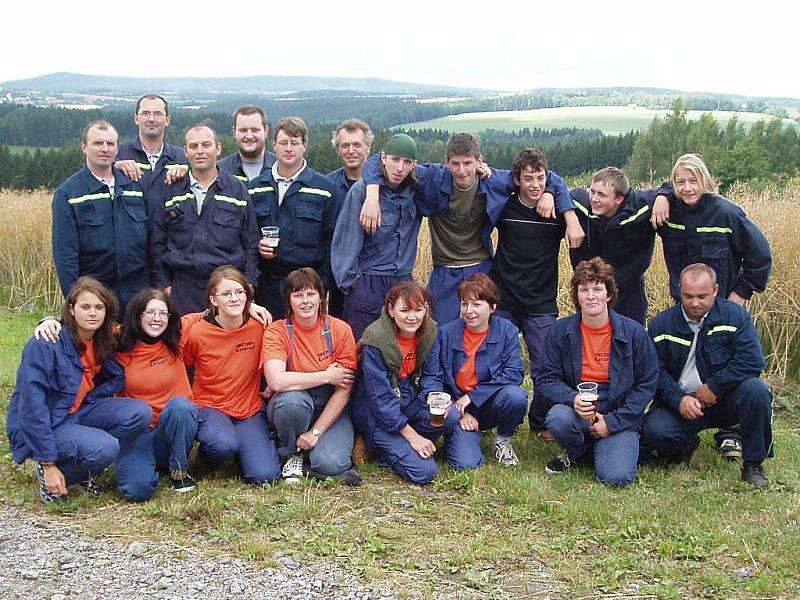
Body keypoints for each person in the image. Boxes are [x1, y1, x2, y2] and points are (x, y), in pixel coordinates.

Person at [359, 133, 583, 325]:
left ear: (479, 161)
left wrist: (558, 203)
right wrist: (371, 195)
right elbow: (376, 163)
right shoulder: (432, 177)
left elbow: (547, 175)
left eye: (468, 163)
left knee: (480, 334)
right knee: (442, 334)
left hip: (481, 268)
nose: (462, 170)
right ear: (446, 162)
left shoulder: (494, 181)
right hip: (444, 271)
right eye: (455, 164)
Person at [657, 153, 772, 460]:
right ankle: (682, 429)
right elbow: (634, 200)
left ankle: (731, 434)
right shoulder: (669, 212)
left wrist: (742, 293)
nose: (687, 187)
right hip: (684, 307)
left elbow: (761, 255)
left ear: (704, 179)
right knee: (686, 367)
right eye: (680, 182)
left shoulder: (727, 213)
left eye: (693, 180)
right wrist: (661, 196)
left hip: (723, 308)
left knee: (727, 370)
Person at [35, 288, 200, 500]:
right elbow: (84, 327)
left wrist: (249, 304)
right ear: (137, 314)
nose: (156, 319)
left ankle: (179, 470)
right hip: (137, 432)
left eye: (162, 313)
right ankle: (146, 466)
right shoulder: (119, 339)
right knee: (136, 490)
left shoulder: (176, 336)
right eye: (149, 312)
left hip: (171, 429)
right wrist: (48, 321)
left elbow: (211, 313)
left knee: (181, 407)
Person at [6, 277, 152, 504]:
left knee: (139, 412)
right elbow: (32, 408)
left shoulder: (102, 338)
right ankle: (51, 474)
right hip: (47, 422)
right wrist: (48, 463)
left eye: (99, 307)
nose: (92, 313)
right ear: (71, 309)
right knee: (106, 447)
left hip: (76, 412)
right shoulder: (46, 343)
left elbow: (142, 329)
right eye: (85, 307)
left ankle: (83, 469)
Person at [639, 264, 773, 489]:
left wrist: (715, 386)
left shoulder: (735, 316)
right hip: (681, 402)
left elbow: (752, 361)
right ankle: (684, 445)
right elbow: (654, 372)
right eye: (688, 296)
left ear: (716, 290)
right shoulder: (662, 324)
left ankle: (753, 464)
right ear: (679, 291)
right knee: (654, 431)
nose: (694, 303)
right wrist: (678, 399)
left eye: (702, 296)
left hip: (724, 399)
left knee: (757, 391)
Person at [537, 258, 658, 486]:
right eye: (584, 290)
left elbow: (646, 384)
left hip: (618, 409)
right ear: (577, 296)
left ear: (609, 295)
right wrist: (573, 399)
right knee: (558, 419)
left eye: (597, 289)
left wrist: (612, 423)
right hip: (578, 407)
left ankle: (608, 448)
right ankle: (576, 449)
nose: (591, 296)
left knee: (617, 478)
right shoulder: (560, 331)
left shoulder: (633, 333)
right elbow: (546, 378)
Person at [489, 148, 567, 434]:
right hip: (505, 299)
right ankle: (494, 419)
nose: (535, 185)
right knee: (496, 362)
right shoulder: (504, 209)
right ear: (517, 180)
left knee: (546, 365)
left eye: (540, 178)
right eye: (528, 178)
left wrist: (559, 202)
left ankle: (540, 422)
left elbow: (567, 194)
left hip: (540, 302)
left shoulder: (556, 211)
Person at [351, 281, 460, 484]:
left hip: (408, 398)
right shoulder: (375, 341)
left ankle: (388, 449)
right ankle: (378, 443)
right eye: (405, 310)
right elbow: (380, 399)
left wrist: (435, 397)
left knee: (451, 415)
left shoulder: (429, 332)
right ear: (391, 310)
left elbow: (432, 376)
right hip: (376, 411)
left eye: (418, 310)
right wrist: (412, 436)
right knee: (424, 472)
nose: (412, 317)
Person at [182, 266, 281, 484]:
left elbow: (276, 356)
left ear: (248, 296)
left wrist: (271, 382)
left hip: (248, 408)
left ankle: (243, 451)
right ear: (213, 300)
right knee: (222, 444)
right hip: (210, 406)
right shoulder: (198, 331)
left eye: (239, 292)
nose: (234, 298)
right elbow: (181, 362)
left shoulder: (260, 325)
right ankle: (210, 456)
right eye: (226, 294)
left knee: (265, 476)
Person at [263, 268, 360, 484]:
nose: (305, 301)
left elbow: (343, 390)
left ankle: (311, 457)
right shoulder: (277, 331)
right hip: (292, 403)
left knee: (331, 464)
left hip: (329, 407)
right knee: (292, 402)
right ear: (288, 300)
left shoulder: (340, 329)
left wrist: (315, 432)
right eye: (297, 295)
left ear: (321, 297)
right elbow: (276, 381)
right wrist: (326, 376)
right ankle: (291, 453)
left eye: (311, 294)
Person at [419, 273, 528, 467]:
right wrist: (456, 409)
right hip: (456, 406)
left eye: (477, 304)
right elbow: (432, 377)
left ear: (493, 307)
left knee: (516, 397)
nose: (469, 311)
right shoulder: (444, 333)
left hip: (489, 404)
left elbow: (514, 372)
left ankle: (503, 439)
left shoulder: (507, 331)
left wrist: (474, 396)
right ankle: (456, 434)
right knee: (466, 464)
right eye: (464, 304)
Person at [151, 125, 260, 315]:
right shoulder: (172, 191)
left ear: (218, 148)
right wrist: (166, 287)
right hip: (182, 290)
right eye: (193, 146)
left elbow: (251, 243)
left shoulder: (237, 190)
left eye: (206, 145)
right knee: (185, 343)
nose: (200, 151)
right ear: (185, 151)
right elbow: (157, 244)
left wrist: (248, 286)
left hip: (226, 289)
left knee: (224, 344)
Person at [332, 133, 425, 340]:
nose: (400, 168)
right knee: (363, 350)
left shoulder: (416, 190)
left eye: (406, 162)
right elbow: (345, 244)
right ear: (384, 158)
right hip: (368, 283)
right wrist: (354, 287)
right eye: (395, 160)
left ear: (413, 165)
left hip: (402, 281)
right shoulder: (362, 192)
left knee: (401, 351)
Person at [52, 120, 150, 313]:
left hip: (136, 295)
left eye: (110, 143)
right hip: (94, 296)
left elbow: (150, 242)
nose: (105, 149)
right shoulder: (69, 193)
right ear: (84, 147)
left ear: (117, 148)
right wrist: (77, 301)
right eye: (98, 143)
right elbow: (65, 254)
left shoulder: (134, 187)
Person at [248, 118, 339, 319]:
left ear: (304, 146)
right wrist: (258, 247)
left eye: (295, 143)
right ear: (273, 145)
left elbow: (332, 243)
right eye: (283, 143)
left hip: (307, 289)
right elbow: (245, 236)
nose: (289, 149)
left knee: (305, 347)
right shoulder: (254, 188)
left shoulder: (324, 190)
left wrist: (320, 288)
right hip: (267, 287)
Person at [569, 167, 669, 325]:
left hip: (630, 291)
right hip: (590, 290)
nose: (594, 198)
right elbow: (554, 188)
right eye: (592, 191)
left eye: (601, 195)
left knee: (631, 342)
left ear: (619, 198)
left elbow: (672, 187)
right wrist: (570, 218)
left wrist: (663, 196)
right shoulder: (578, 203)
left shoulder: (641, 206)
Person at [115, 94, 188, 214]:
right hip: (132, 232)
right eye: (145, 113)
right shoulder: (118, 154)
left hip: (169, 231)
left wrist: (188, 173)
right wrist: (114, 168)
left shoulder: (183, 158)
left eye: (157, 114)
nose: (151, 119)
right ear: (136, 119)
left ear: (167, 120)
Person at [218, 105, 276, 183]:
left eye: (255, 130)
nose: (249, 136)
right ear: (234, 132)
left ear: (266, 131)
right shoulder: (219, 171)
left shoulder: (280, 168)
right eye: (243, 130)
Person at [327, 119, 374, 202]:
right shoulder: (328, 185)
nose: (351, 151)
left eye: (357, 145)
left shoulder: (381, 184)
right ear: (338, 150)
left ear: (368, 147)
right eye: (345, 146)